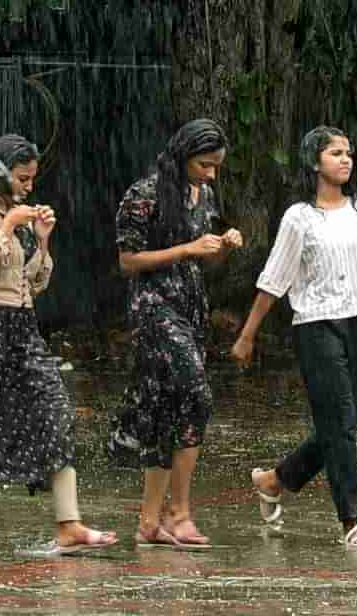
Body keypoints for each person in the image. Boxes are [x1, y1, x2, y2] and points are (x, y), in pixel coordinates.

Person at [230, 125, 357, 549]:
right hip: (314, 327)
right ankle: (352, 522)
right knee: (341, 426)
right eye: (335, 153)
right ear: (314, 162)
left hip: (354, 322)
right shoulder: (299, 217)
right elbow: (274, 281)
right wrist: (247, 335)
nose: (345, 159)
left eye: (348, 152)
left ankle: (274, 480)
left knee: (341, 424)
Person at [0, 134, 117, 556]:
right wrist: (9, 226)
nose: (29, 187)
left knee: (56, 411)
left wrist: (43, 239)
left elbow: (33, 282)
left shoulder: (22, 214)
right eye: (21, 178)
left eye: (32, 179)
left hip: (21, 329)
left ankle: (69, 523)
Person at [108, 118, 243, 549]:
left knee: (170, 406)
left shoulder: (205, 195)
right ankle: (178, 512)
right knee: (197, 395)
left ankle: (153, 521)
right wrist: (186, 248)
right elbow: (128, 262)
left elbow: (206, 262)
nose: (211, 174)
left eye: (217, 166)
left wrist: (222, 247)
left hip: (191, 307)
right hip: (153, 308)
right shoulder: (145, 194)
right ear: (183, 155)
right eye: (205, 164)